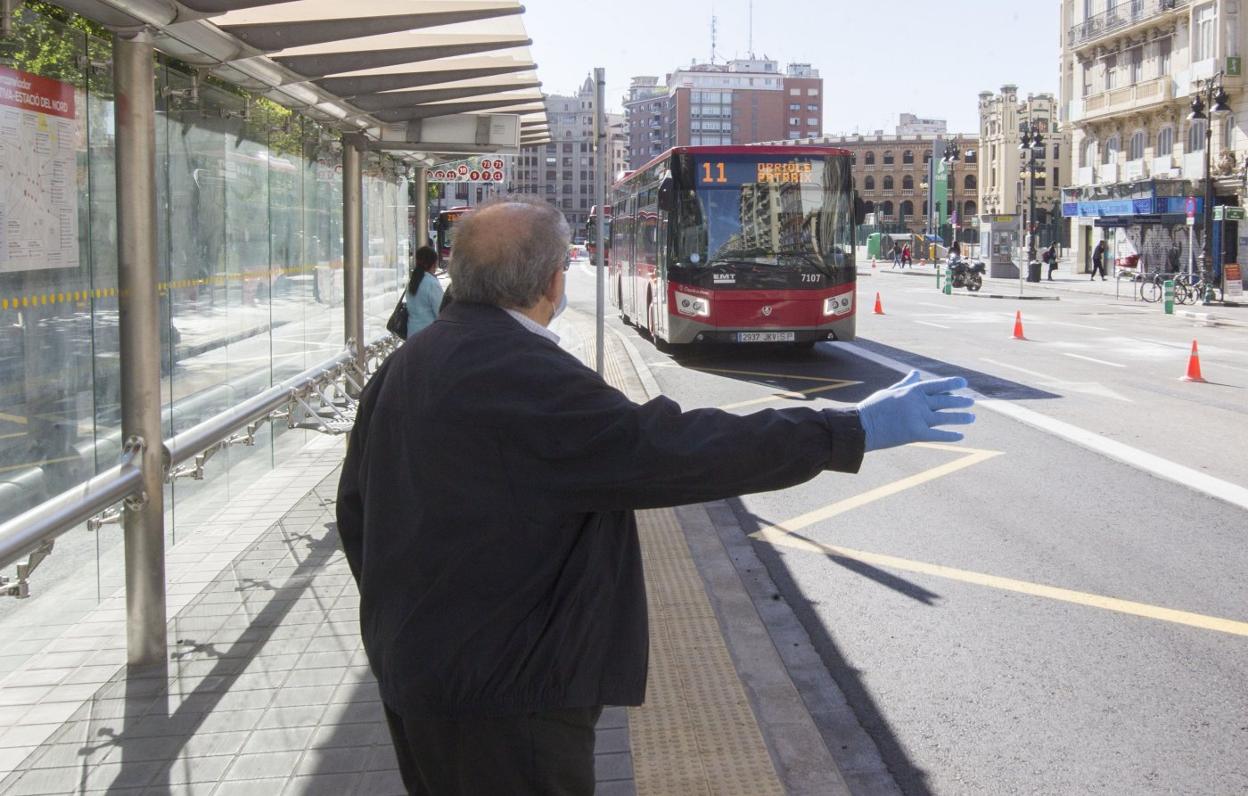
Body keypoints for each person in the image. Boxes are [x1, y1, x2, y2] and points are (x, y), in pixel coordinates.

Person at [335, 199, 975, 795]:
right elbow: (674, 449)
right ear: (553, 282)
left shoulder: (408, 364)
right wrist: (847, 428)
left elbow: (355, 512)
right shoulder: (521, 374)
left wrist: (410, 622)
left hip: (417, 671)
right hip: (506, 696)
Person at [405, 246, 444, 338]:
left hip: (412, 332)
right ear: (433, 263)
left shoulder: (413, 281)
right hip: (428, 334)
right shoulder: (431, 283)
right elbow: (440, 311)